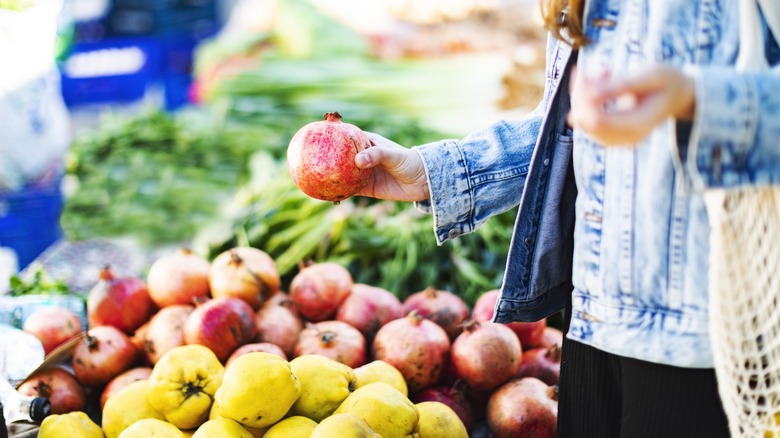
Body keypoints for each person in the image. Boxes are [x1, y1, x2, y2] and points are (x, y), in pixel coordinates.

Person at [352, 0, 780, 437]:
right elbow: (566, 129)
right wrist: (434, 173)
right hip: (592, 323)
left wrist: (694, 98)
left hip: (701, 336)